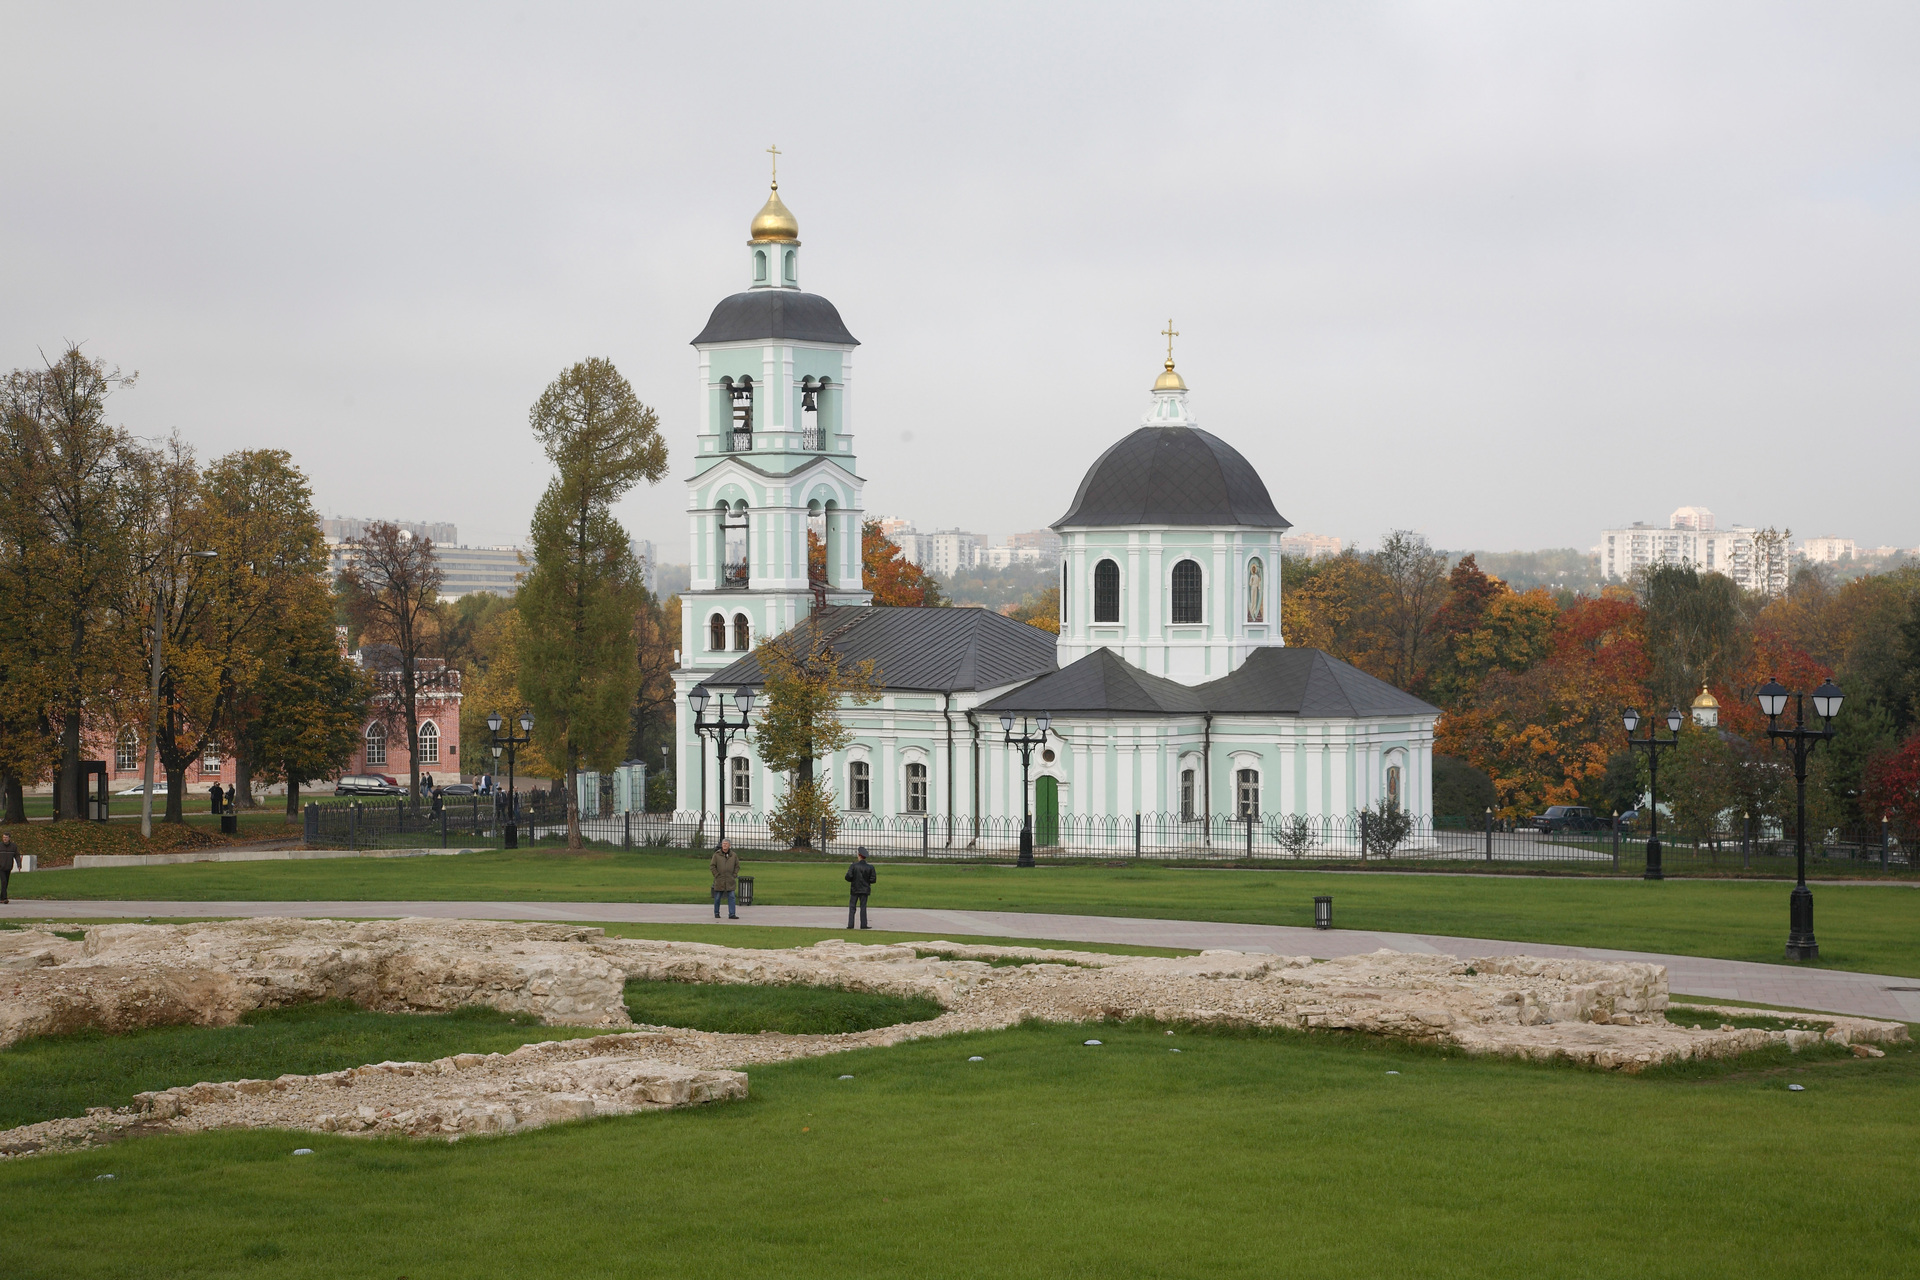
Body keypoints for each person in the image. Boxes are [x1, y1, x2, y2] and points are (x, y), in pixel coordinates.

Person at [846, 847, 877, 929]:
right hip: (865, 889)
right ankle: (863, 924)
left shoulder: (853, 866)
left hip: (854, 889)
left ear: (859, 855)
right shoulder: (870, 867)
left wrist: (854, 879)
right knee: (863, 907)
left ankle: (850, 924)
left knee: (852, 907)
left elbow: (848, 877)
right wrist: (866, 881)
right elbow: (873, 879)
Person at [710, 838, 740, 920]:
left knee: (732, 897)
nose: (725, 845)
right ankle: (716, 913)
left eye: (726, 844)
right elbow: (712, 866)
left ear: (729, 845)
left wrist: (734, 874)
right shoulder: (716, 855)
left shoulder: (733, 855)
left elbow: (737, 866)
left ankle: (732, 914)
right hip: (720, 879)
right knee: (717, 897)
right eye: (723, 844)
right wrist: (716, 875)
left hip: (730, 880)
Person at [0, 831, 17, 903]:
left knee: (6, 882)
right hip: (0, 867)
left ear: (9, 838)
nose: (5, 839)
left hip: (8, 867)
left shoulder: (13, 846)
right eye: (3, 837)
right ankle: (5, 898)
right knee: (3, 881)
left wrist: (19, 864)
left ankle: (1, 897)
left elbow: (17, 855)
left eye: (6, 837)